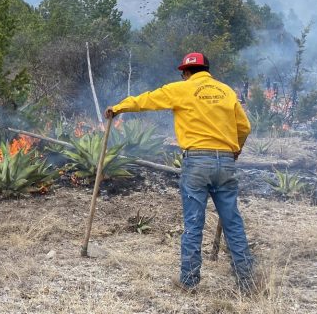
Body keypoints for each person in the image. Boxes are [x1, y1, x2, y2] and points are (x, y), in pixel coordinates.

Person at [105, 52, 255, 293]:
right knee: (232, 222)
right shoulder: (226, 91)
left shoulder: (181, 89)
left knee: (194, 223)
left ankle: (189, 281)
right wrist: (235, 151)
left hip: (197, 162)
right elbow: (244, 127)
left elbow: (147, 100)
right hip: (226, 161)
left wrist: (118, 108)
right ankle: (247, 281)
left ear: (185, 73)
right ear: (207, 69)